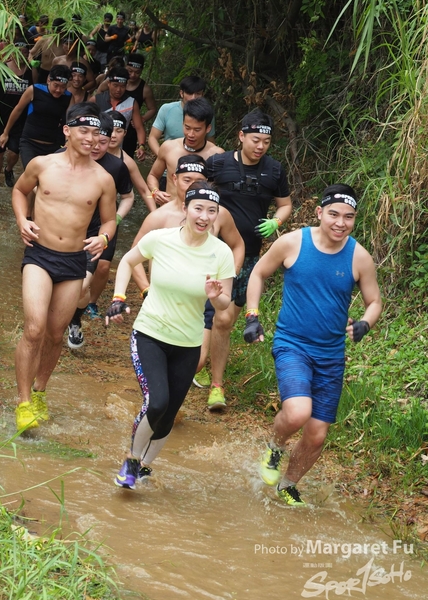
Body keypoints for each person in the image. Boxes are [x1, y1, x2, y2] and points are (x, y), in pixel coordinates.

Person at [244, 184, 382, 505]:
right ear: (320, 212)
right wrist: (252, 316)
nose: (340, 223)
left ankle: (288, 485)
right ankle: (275, 448)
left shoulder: (359, 256)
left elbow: (374, 301)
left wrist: (365, 323)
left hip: (331, 355)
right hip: (292, 344)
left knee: (317, 433)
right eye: (334, 214)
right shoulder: (292, 243)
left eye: (348, 217)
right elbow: (258, 273)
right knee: (297, 413)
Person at [106, 181, 235, 489]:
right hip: (150, 334)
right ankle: (131, 460)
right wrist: (118, 297)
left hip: (188, 344)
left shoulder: (221, 253)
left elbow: (224, 304)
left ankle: (145, 466)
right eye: (198, 208)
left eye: (212, 211)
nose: (204, 217)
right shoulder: (160, 239)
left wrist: (215, 296)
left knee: (169, 412)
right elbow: (127, 260)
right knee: (157, 402)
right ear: (185, 209)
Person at [11, 102, 117, 431]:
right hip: (39, 255)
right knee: (34, 328)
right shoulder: (42, 165)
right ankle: (23, 402)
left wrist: (103, 238)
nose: (90, 138)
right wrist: (22, 220)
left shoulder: (103, 179)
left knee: (56, 334)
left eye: (96, 133)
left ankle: (40, 391)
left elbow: (110, 220)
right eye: (83, 131)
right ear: (67, 131)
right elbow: (19, 190)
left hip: (73, 261)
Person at [202, 109, 292, 410]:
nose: (260, 146)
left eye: (266, 141)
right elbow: (196, 195)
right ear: (241, 136)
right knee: (210, 316)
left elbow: (285, 205)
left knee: (226, 320)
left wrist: (276, 221)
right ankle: (210, 378)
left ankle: (211, 376)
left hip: (250, 256)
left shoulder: (274, 170)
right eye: (255, 140)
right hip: (213, 253)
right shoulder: (218, 164)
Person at [131, 154, 244, 302]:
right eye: (187, 180)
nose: (192, 186)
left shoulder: (219, 214)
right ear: (175, 179)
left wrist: (228, 277)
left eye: (198, 181)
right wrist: (146, 290)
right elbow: (133, 258)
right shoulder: (159, 217)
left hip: (205, 296)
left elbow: (238, 245)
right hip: (164, 297)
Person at [81, 111, 155, 324]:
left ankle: (91, 303)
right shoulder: (77, 154)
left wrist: (153, 216)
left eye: (118, 131)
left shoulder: (123, 163)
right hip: (78, 222)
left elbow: (138, 192)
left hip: (107, 222)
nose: (112, 136)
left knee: (103, 266)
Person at [146, 97, 223, 205]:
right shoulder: (169, 148)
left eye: (197, 130)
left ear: (208, 128)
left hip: (200, 213)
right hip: (171, 210)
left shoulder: (217, 155)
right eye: (187, 128)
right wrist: (155, 192)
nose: (191, 134)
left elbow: (223, 190)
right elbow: (153, 175)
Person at [0, 64, 72, 168]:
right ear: (49, 80)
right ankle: (8, 170)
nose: (58, 90)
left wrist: (68, 141)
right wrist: (5, 132)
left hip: (52, 145)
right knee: (31, 171)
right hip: (30, 142)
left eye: (63, 87)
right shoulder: (34, 90)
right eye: (56, 85)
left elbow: (69, 121)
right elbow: (18, 109)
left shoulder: (68, 97)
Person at [0, 41, 33, 192]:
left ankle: (8, 169)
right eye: (18, 51)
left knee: (14, 151)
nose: (21, 55)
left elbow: (36, 91)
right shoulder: (1, 68)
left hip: (21, 119)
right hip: (1, 116)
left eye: (24, 52)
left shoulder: (31, 71)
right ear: (12, 53)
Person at [148, 76, 216, 158]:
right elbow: (152, 138)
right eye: (189, 93)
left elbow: (210, 142)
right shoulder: (167, 109)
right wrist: (164, 157)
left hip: (197, 162)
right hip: (170, 159)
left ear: (202, 95)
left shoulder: (206, 113)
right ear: (181, 93)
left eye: (198, 94)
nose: (193, 97)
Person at [92, 66, 146, 160]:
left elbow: (139, 127)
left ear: (126, 85)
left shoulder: (132, 103)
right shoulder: (96, 100)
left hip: (118, 150)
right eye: (115, 85)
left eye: (122, 86)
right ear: (108, 84)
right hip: (96, 149)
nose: (118, 90)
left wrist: (141, 146)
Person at [123, 53, 157, 157]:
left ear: (142, 71)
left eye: (137, 72)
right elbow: (100, 91)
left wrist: (142, 119)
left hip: (130, 131)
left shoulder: (145, 89)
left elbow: (152, 109)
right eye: (130, 71)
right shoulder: (117, 81)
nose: (133, 75)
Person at [28, 18, 66, 84]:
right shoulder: (44, 40)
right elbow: (31, 53)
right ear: (52, 29)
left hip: (58, 75)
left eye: (59, 31)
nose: (57, 33)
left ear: (64, 32)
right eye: (55, 30)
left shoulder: (66, 45)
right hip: (43, 73)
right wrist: (32, 61)